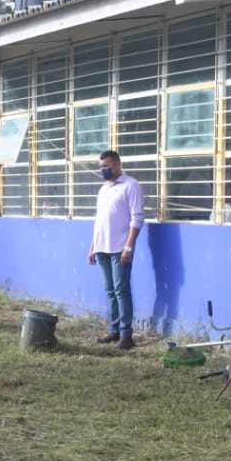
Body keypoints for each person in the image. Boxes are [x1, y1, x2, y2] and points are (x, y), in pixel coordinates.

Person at [88, 150, 144, 351]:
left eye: (107, 166)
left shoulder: (130, 185)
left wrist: (129, 246)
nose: (104, 170)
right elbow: (99, 221)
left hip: (120, 249)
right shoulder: (103, 189)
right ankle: (114, 330)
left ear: (118, 165)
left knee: (121, 291)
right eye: (101, 167)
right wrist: (93, 247)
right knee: (110, 291)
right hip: (102, 248)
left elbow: (137, 219)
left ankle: (127, 335)